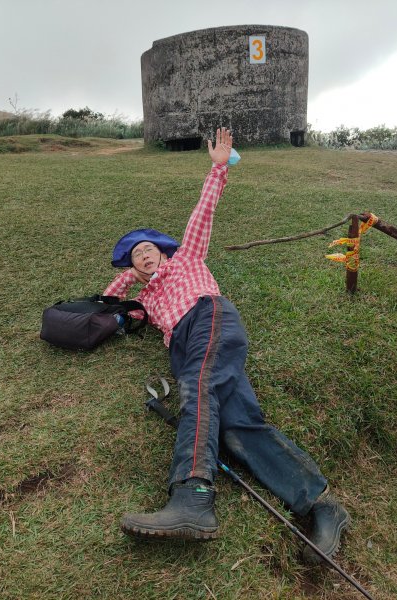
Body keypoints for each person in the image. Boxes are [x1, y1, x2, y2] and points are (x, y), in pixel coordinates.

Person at [103, 128, 349, 564]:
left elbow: (202, 214)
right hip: (183, 344)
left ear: (163, 251)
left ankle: (192, 496)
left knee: (197, 389)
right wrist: (127, 278)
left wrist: (218, 167)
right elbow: (109, 302)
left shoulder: (187, 259)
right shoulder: (144, 296)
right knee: (236, 429)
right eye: (133, 255)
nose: (142, 255)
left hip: (209, 317)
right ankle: (322, 504)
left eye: (147, 249)